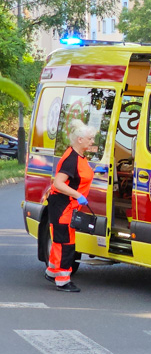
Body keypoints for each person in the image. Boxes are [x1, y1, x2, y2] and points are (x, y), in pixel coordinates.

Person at [45, 119, 106, 292]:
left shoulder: (78, 155)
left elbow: (77, 175)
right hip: (64, 206)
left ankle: (52, 271)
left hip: (65, 205)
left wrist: (94, 172)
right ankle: (63, 280)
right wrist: (78, 195)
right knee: (66, 243)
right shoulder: (72, 158)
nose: (92, 141)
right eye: (90, 139)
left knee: (60, 240)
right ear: (80, 139)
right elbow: (58, 183)